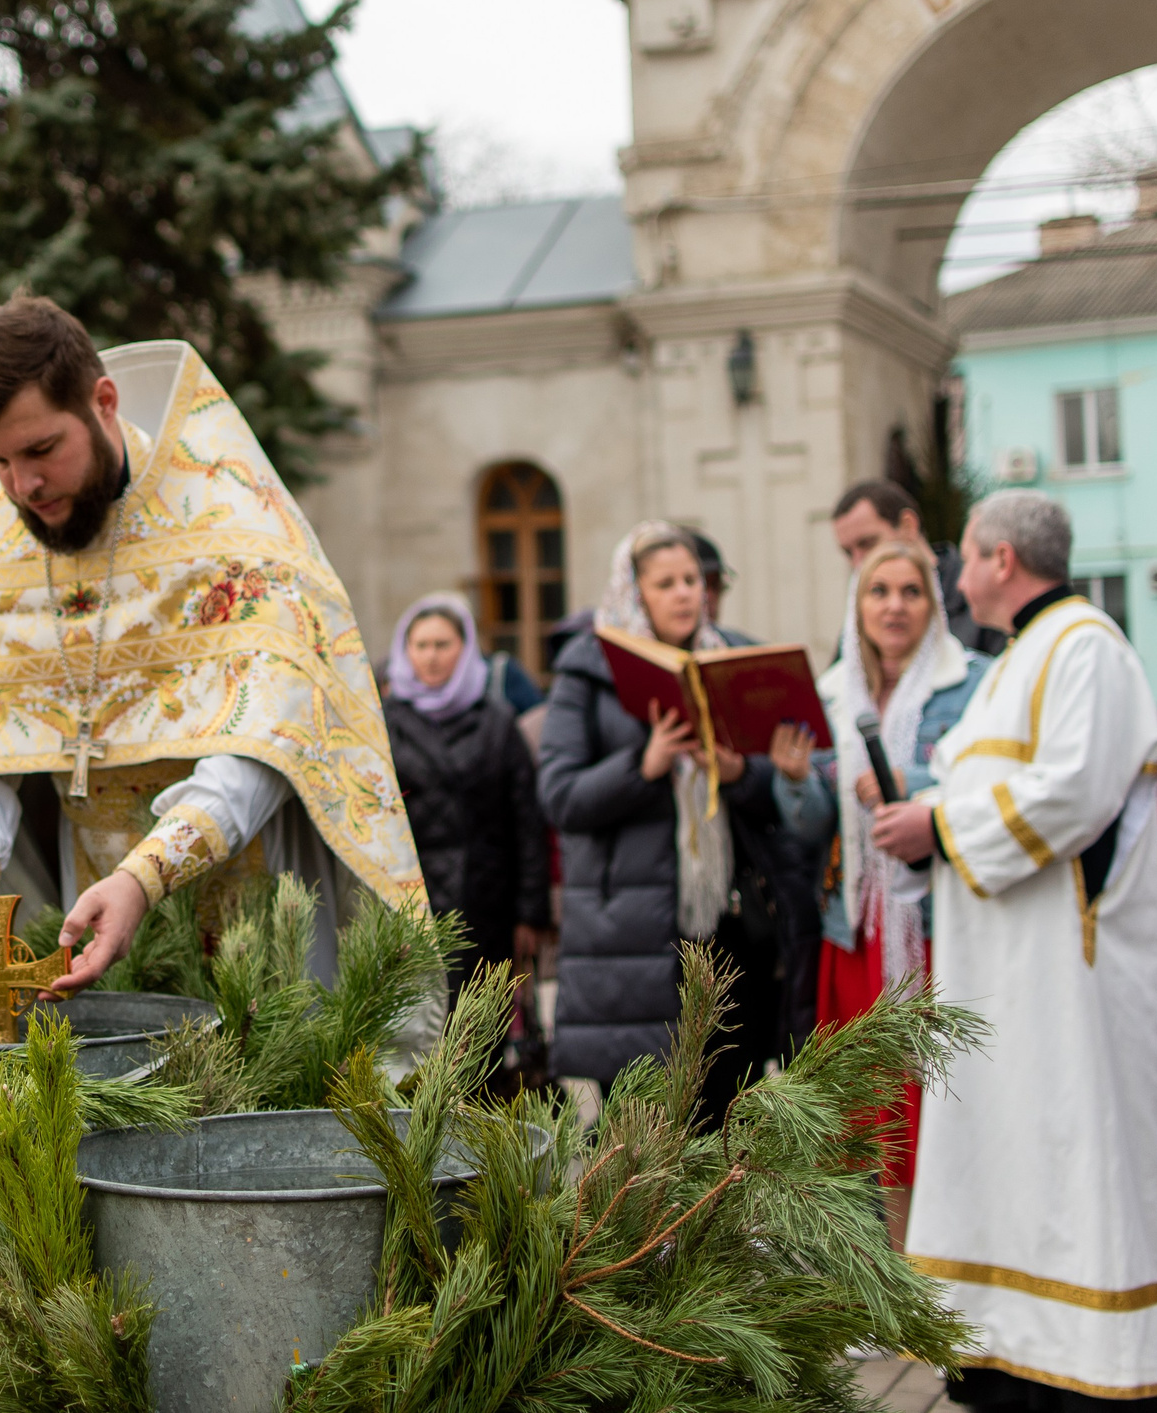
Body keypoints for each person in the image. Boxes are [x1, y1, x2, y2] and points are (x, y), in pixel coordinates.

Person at [0, 295, 425, 996]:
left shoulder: (229, 517)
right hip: (87, 927)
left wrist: (145, 874)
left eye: (40, 450)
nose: (22, 486)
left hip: (256, 912)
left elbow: (271, 740)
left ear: (102, 401)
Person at [867, 489, 1157, 1409]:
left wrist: (937, 818)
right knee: (1011, 1154)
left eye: (963, 556)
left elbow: (1069, 795)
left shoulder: (1085, 646)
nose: (954, 574)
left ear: (1002, 558)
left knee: (1070, 1153)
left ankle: (1092, 1365)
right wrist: (923, 803)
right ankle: (1009, 1350)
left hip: (1065, 978)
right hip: (1005, 971)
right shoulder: (1023, 655)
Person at [537, 521, 815, 1120]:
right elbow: (559, 796)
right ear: (636, 593)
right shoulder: (589, 671)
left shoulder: (736, 657)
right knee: (641, 1130)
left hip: (728, 928)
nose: (686, 593)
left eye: (693, 580)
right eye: (666, 583)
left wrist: (744, 775)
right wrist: (645, 765)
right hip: (633, 937)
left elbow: (778, 802)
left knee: (724, 1116)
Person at [770, 537, 990, 1247]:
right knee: (866, 1106)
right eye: (879, 591)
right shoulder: (831, 694)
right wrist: (797, 779)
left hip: (933, 927)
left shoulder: (973, 682)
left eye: (910, 591)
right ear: (856, 604)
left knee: (936, 1097)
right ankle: (883, 1266)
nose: (894, 606)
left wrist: (911, 791)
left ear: (934, 604)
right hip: (856, 926)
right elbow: (810, 830)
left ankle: (939, 1259)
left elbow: (984, 791)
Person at [381, 594, 551, 997]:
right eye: (421, 645)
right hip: (411, 903)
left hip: (487, 903)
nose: (432, 656)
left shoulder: (496, 721)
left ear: (466, 648)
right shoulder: (385, 723)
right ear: (405, 652)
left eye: (443, 645)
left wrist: (530, 913)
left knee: (480, 1030)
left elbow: (525, 820)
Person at [831, 478, 1006, 655]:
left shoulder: (980, 595)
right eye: (848, 553)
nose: (858, 562)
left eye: (868, 543)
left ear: (908, 525)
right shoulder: (861, 610)